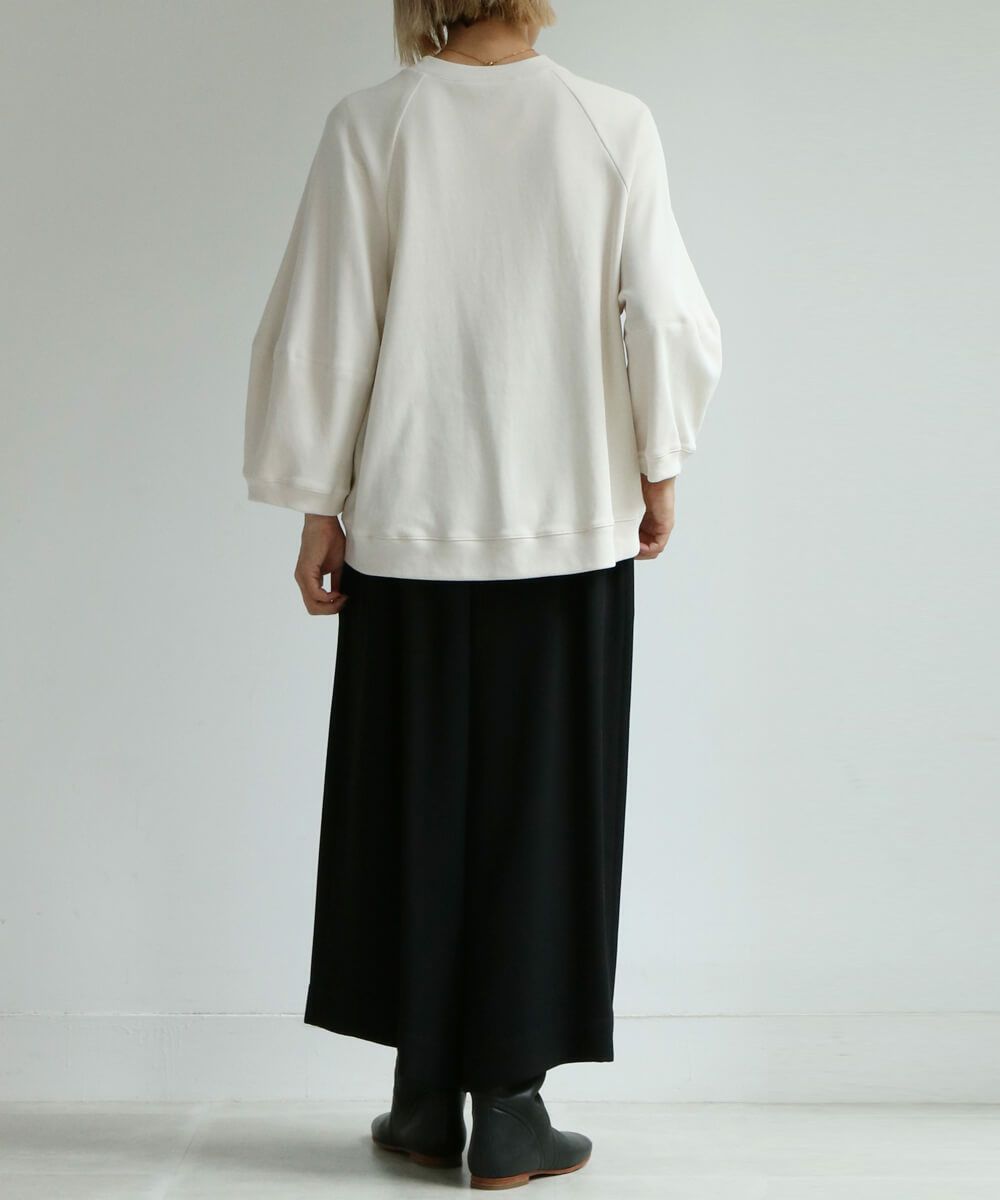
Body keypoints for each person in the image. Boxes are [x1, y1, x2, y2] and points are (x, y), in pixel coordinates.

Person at [243, 0, 722, 1189]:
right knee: (543, 816)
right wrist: (659, 463)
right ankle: (508, 1104)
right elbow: (662, 314)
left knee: (405, 803)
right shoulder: (610, 123)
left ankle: (421, 1096)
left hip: (407, 524)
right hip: (566, 524)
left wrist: (317, 499)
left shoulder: (373, 123)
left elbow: (330, 319)